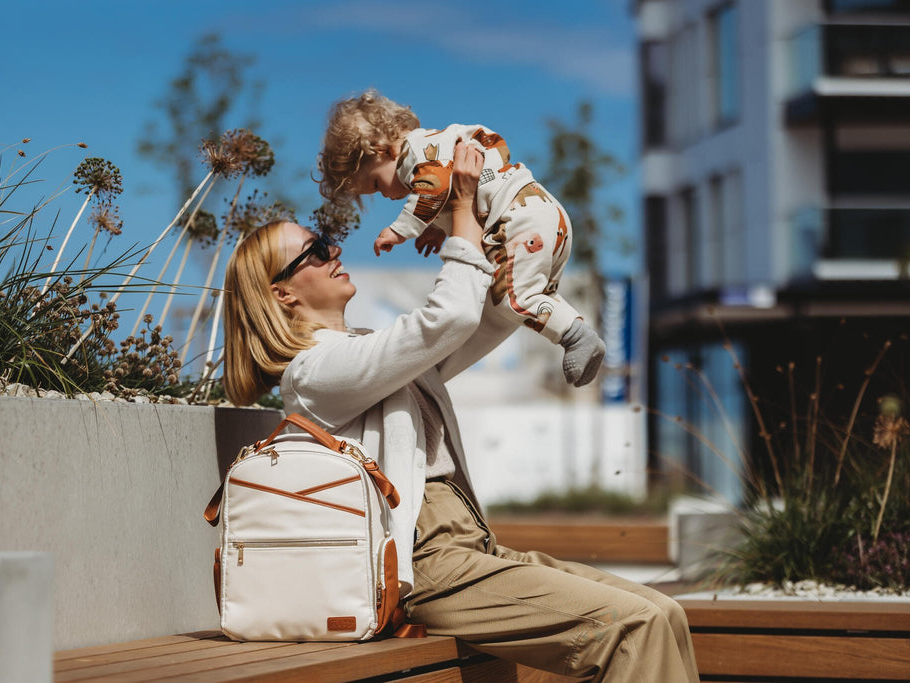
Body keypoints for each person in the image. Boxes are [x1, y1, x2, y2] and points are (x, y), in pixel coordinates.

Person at [221, 142, 699, 681]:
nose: (335, 252)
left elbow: (478, 320)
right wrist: (461, 211)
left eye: (328, 242)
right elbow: (446, 318)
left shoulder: (369, 353)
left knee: (666, 612)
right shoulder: (313, 374)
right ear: (282, 294)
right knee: (632, 624)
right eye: (316, 249)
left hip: (468, 545)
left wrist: (521, 240)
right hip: (425, 563)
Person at [316, 89, 605, 387]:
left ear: (381, 149)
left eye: (377, 185)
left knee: (509, 299)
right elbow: (454, 190)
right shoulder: (438, 144)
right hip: (544, 214)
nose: (387, 196)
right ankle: (578, 333)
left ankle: (574, 336)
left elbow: (435, 187)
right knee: (536, 292)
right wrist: (436, 228)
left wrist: (400, 229)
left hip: (518, 222)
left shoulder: (415, 154)